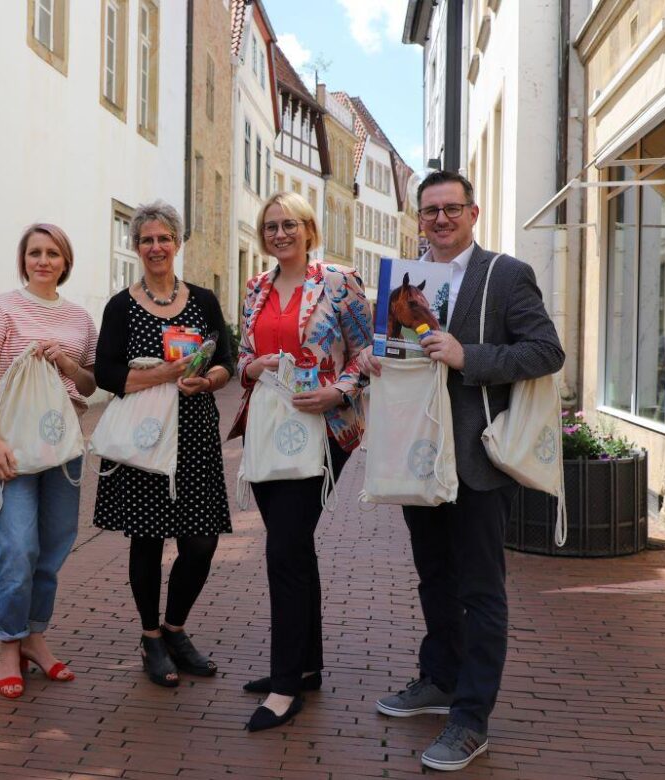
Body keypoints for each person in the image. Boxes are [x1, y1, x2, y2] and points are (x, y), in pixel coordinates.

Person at [361, 170, 564, 771]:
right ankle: (440, 677)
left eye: (452, 209)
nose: (441, 220)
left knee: (480, 590)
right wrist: (382, 359)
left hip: (477, 458)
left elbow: (547, 352)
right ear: (418, 220)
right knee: (434, 580)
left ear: (474, 213)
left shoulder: (505, 274)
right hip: (418, 456)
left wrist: (466, 355)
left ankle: (471, 719)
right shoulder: (403, 279)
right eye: (430, 212)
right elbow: (402, 355)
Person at [230, 191, 372, 732]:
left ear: (309, 230)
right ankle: (306, 666)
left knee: (284, 549)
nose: (280, 233)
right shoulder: (256, 287)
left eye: (289, 224)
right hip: (269, 430)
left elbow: (366, 351)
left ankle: (285, 684)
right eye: (271, 226)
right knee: (295, 548)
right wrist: (254, 364)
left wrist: (339, 392)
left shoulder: (338, 281)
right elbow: (244, 356)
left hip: (322, 431)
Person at [93, 200, 234, 688]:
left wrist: (208, 380)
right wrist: (162, 374)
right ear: (137, 247)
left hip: (194, 431)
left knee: (200, 541)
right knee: (147, 540)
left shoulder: (203, 300)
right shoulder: (121, 306)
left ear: (177, 244)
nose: (156, 247)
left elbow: (227, 358)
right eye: (146, 239)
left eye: (164, 238)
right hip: (144, 433)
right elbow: (107, 374)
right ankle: (151, 636)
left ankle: (175, 629)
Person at [0, 223, 98, 699]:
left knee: (53, 548)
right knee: (16, 548)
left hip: (63, 449)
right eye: (34, 253)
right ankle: (9, 643)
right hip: (16, 445)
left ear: (65, 262)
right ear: (22, 259)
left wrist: (67, 363)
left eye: (52, 253)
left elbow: (88, 386)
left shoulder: (81, 320)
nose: (42, 261)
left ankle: (35, 637)